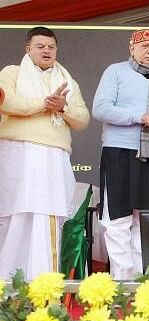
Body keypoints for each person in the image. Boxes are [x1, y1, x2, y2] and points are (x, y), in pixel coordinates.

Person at [92, 29, 149, 279]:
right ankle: (123, 281)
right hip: (119, 152)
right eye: (144, 46)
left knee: (146, 220)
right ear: (131, 48)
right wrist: (138, 117)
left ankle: (144, 281)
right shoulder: (116, 71)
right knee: (118, 219)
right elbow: (100, 108)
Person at [0, 26, 90, 279]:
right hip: (18, 152)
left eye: (51, 47)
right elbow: (6, 101)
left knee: (48, 216)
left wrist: (62, 108)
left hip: (54, 155)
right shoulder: (12, 72)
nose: (46, 51)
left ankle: (44, 283)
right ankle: (7, 285)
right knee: (14, 216)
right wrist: (44, 104)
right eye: (40, 46)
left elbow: (82, 118)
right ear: (28, 48)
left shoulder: (66, 80)